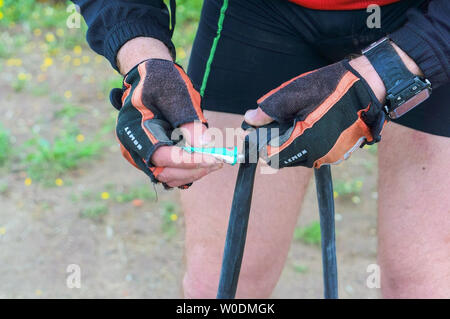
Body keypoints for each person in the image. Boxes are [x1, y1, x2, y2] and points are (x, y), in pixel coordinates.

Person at [72, 0, 449, 298]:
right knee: (219, 287)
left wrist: (387, 70)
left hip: (430, 15)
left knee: (422, 284)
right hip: (259, 15)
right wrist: (142, 59)